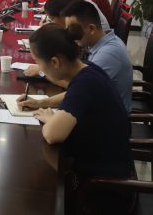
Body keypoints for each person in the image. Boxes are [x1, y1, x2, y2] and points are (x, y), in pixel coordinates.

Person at [17, 23, 136, 214]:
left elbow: (52, 135)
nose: (39, 68)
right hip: (114, 175)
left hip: (107, 192)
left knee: (42, 196)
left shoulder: (85, 83)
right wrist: (41, 102)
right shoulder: (88, 69)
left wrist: (50, 119)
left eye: (39, 62)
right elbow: (72, 95)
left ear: (55, 62)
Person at [61, 0, 133, 112]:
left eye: (73, 29)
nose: (71, 34)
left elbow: (79, 90)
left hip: (109, 115)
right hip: (98, 104)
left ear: (91, 29)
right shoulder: (101, 41)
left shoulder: (107, 53)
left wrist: (43, 72)